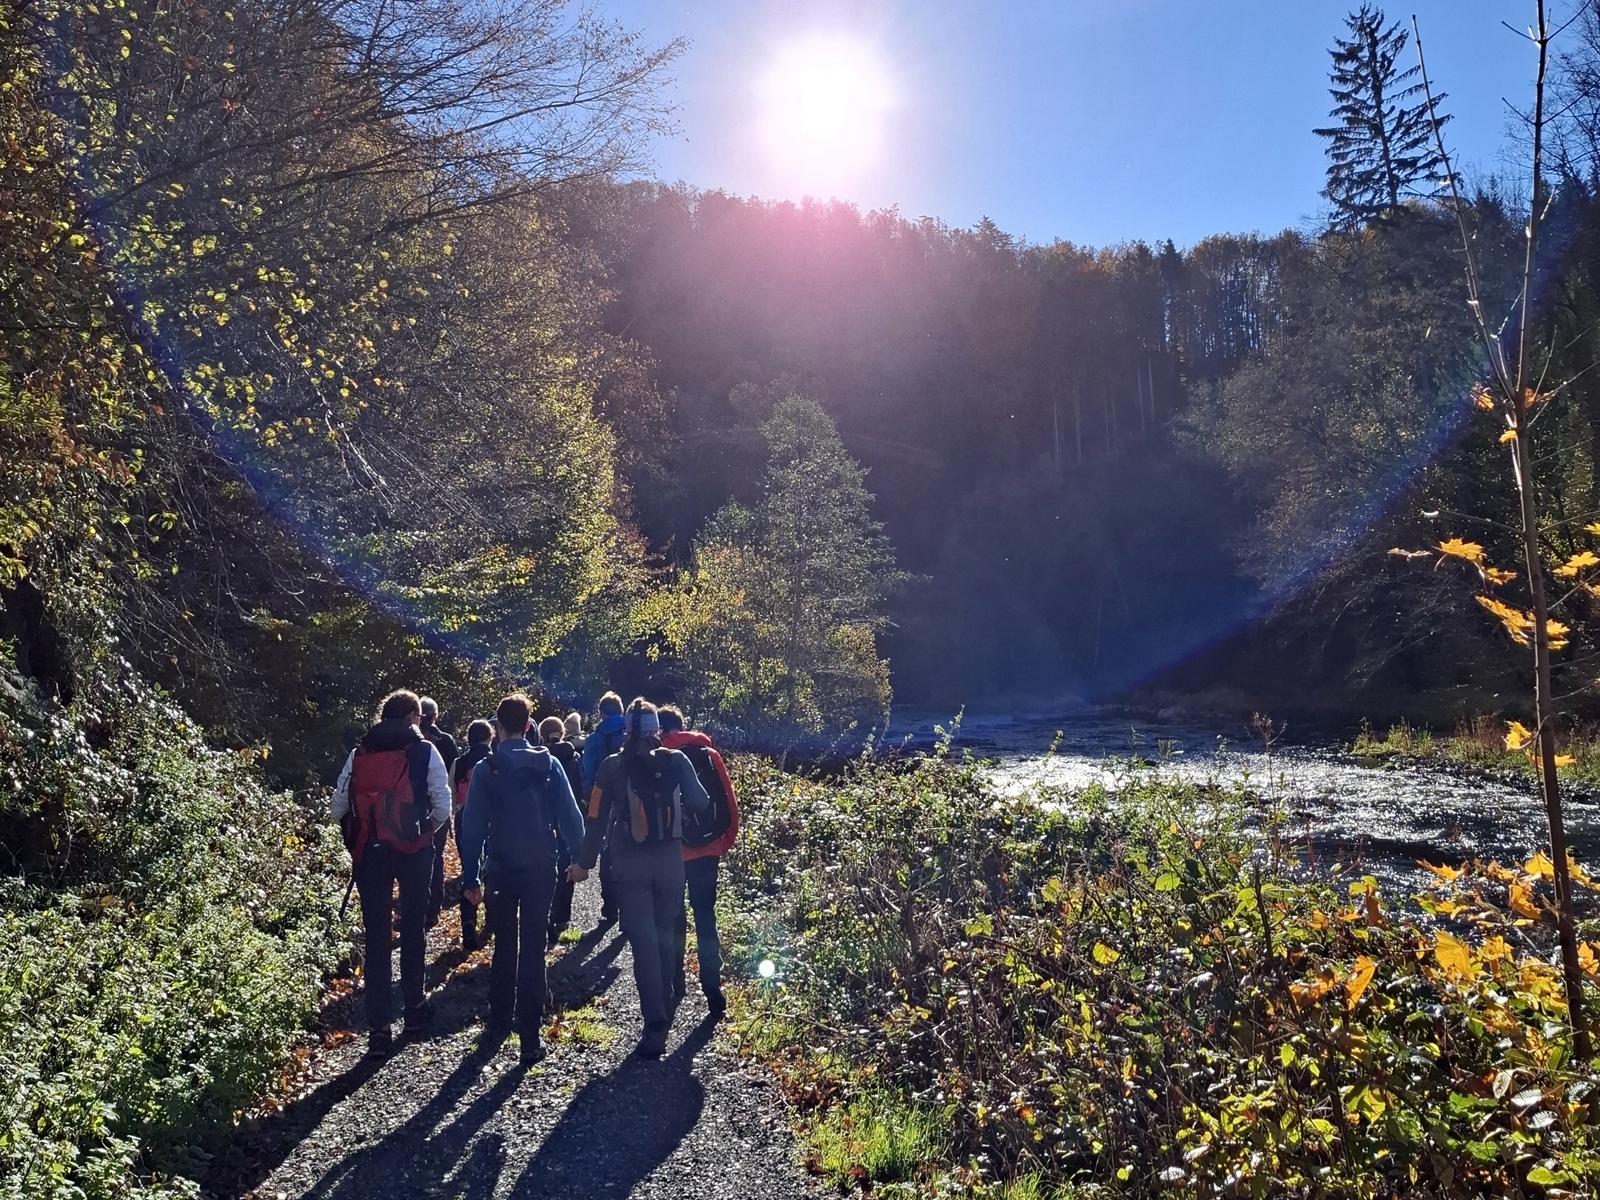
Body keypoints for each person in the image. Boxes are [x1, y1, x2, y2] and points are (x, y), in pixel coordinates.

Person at [570, 698, 709, 1058]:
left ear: (627, 731)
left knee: (644, 943)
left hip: (628, 862)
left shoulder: (611, 766)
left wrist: (584, 863)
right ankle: (668, 994)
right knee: (664, 933)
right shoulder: (676, 760)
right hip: (670, 861)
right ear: (656, 730)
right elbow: (700, 801)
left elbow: (596, 819)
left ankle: (655, 1024)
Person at [459, 693, 584, 1065]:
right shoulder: (548, 764)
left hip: (500, 867)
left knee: (504, 945)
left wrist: (470, 876)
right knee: (533, 948)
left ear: (498, 727)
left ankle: (498, 1024)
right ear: (529, 726)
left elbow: (471, 827)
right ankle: (530, 1037)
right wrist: (579, 859)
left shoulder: (487, 768)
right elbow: (570, 816)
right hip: (541, 867)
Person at [332, 689, 451, 1056]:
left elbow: (338, 807)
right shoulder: (425, 751)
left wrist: (361, 835)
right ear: (414, 717)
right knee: (413, 929)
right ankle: (414, 1009)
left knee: (377, 937)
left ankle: (379, 1029)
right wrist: (424, 830)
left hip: (370, 852)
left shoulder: (359, 753)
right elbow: (443, 804)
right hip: (414, 851)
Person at [657, 706, 739, 1019]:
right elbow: (728, 800)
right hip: (707, 850)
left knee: (673, 918)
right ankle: (712, 987)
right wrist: (724, 841)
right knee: (705, 916)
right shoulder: (708, 753)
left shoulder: (657, 757)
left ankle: (674, 982)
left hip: (670, 853)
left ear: (660, 729)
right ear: (681, 726)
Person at [579, 691, 628, 924]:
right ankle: (629, 910)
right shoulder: (634, 732)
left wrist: (589, 800)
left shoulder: (596, 738)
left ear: (601, 712)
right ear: (621, 709)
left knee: (607, 853)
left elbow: (588, 772)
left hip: (606, 801)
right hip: (632, 800)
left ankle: (610, 910)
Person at [539, 715, 584, 947]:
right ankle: (561, 916)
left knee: (547, 866)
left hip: (545, 819)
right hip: (568, 813)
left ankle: (545, 913)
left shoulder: (540, 759)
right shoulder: (574, 757)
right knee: (567, 865)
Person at [450, 719, 494, 951]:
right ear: (490, 737)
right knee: (492, 868)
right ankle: (492, 919)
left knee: (470, 868)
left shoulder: (459, 762)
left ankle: (468, 924)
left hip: (465, 818)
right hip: (492, 818)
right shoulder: (494, 761)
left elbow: (452, 794)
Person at [419, 696, 459, 929]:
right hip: (438, 805)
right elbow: (455, 772)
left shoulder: (409, 741)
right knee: (436, 855)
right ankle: (433, 909)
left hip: (411, 807)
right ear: (435, 716)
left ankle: (415, 906)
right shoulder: (445, 740)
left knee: (412, 856)